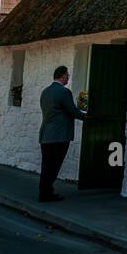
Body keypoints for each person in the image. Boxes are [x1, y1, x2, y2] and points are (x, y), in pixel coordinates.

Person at [38, 65, 84, 202]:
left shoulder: (45, 91)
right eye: (67, 75)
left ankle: (45, 191)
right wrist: (87, 117)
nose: (68, 77)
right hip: (59, 135)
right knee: (54, 165)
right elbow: (72, 111)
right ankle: (46, 193)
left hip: (46, 133)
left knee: (46, 165)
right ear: (63, 76)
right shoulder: (64, 92)